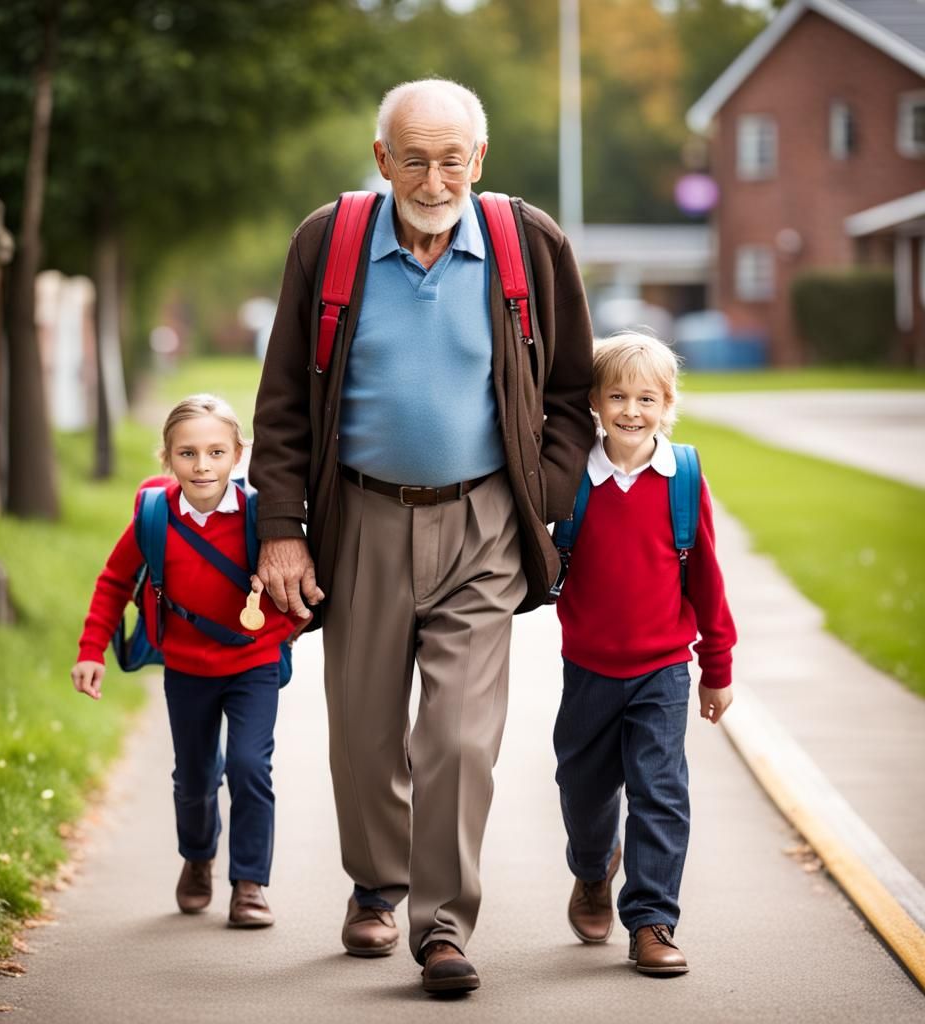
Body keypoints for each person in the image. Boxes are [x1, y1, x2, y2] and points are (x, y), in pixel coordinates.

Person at [250, 78, 594, 993]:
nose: (434, 178)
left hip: (482, 523)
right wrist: (281, 530)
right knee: (365, 735)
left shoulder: (530, 244)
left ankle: (441, 928)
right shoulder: (329, 243)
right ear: (382, 162)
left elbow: (570, 397)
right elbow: (283, 401)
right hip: (358, 516)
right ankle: (377, 883)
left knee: (460, 738)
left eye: (452, 159)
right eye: (415, 159)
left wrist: (539, 499)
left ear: (477, 161)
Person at [71, 394, 302, 928]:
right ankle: (197, 858)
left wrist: (282, 630)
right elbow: (112, 581)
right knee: (194, 779)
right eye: (188, 454)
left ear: (238, 455)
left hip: (253, 665)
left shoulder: (260, 516)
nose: (203, 466)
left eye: (217, 452)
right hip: (188, 671)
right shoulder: (154, 518)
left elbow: (298, 584)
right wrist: (91, 651)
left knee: (250, 768)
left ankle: (249, 885)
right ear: (167, 458)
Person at [553, 332, 736, 975]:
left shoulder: (682, 477)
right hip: (588, 669)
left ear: (668, 404)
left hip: (662, 669)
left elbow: (707, 579)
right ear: (596, 403)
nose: (632, 410)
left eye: (647, 398)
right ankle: (594, 868)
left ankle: (652, 920)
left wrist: (718, 667)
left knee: (660, 790)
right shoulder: (574, 476)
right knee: (583, 786)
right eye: (618, 396)